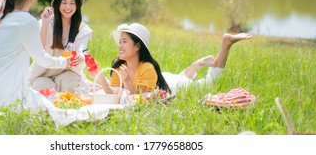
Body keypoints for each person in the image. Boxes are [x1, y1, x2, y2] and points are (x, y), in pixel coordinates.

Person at [92, 23, 252, 95]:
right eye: (119, 41)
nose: (120, 46)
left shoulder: (147, 67)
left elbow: (139, 98)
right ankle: (197, 64)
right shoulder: (118, 67)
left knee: (208, 84)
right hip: (165, 78)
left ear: (138, 46)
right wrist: (99, 76)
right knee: (182, 76)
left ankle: (226, 43)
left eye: (124, 41)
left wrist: (127, 83)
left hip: (174, 85)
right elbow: (112, 94)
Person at [28, 0, 92, 95]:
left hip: (66, 73)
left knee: (74, 87)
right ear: (58, 4)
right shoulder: (45, 23)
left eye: (72, 3)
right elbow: (39, 50)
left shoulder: (82, 28)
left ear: (77, 5)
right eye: (64, 2)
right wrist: (45, 25)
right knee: (45, 90)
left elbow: (82, 50)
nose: (68, 7)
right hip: (42, 73)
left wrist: (80, 57)